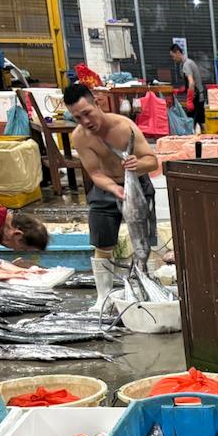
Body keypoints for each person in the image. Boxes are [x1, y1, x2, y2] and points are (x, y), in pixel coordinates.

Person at [63, 81, 159, 310]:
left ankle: (148, 286)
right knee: (102, 242)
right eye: (78, 117)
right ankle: (103, 297)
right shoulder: (80, 137)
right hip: (106, 187)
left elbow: (152, 161)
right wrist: (114, 188)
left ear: (97, 103)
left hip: (137, 184)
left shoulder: (125, 127)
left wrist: (138, 165)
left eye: (87, 113)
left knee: (144, 242)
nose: (85, 121)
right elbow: (95, 173)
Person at [170, 42, 206, 133]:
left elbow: (191, 83)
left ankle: (193, 141)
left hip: (196, 97)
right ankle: (209, 138)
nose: (173, 59)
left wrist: (189, 100)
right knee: (201, 122)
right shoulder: (188, 62)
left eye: (173, 56)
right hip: (199, 95)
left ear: (178, 52)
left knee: (190, 124)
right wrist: (183, 89)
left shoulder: (186, 64)